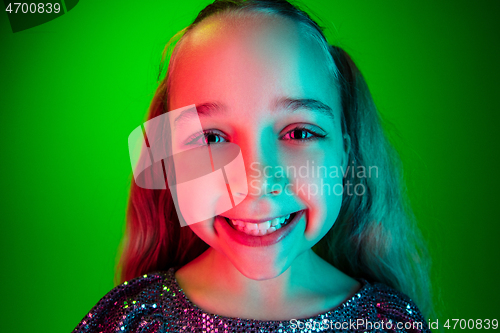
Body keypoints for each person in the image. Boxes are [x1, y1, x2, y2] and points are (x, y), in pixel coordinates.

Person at [74, 0, 432, 331]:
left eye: (299, 133)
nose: (256, 181)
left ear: (344, 155)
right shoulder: (131, 320)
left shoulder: (389, 322)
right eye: (212, 138)